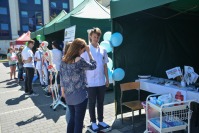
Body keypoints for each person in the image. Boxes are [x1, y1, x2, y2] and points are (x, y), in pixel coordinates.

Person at [60, 38, 96, 133]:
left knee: (72, 120)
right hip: (80, 96)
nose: (83, 52)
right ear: (79, 49)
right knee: (78, 122)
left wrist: (62, 91)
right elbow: (93, 66)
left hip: (69, 96)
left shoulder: (63, 60)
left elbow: (62, 78)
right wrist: (89, 53)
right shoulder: (79, 60)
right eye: (83, 50)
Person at [81, 27, 109, 131]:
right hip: (90, 82)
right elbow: (82, 66)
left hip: (101, 81)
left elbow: (105, 66)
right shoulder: (86, 50)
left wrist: (107, 79)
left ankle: (101, 120)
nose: (96, 39)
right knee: (92, 102)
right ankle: (93, 122)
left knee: (101, 101)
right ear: (90, 37)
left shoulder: (103, 50)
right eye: (94, 37)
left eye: (97, 37)